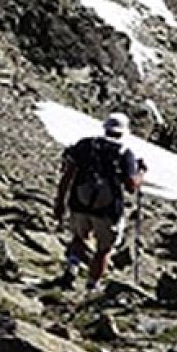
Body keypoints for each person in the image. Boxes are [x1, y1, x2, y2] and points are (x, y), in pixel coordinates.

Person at [53, 112, 145, 290]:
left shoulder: (86, 145)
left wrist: (60, 201)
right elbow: (131, 186)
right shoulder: (124, 153)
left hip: (80, 202)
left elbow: (68, 174)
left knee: (79, 238)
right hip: (108, 209)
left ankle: (71, 270)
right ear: (124, 132)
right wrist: (141, 173)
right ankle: (92, 285)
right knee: (103, 249)